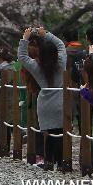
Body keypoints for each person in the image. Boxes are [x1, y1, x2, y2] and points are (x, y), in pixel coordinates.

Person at [18, 27, 66, 171]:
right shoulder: (61, 62)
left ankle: (49, 161)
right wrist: (47, 35)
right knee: (61, 133)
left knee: (48, 134)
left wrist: (25, 39)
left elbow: (22, 57)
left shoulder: (36, 66)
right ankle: (61, 162)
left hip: (45, 102)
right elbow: (61, 45)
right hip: (60, 100)